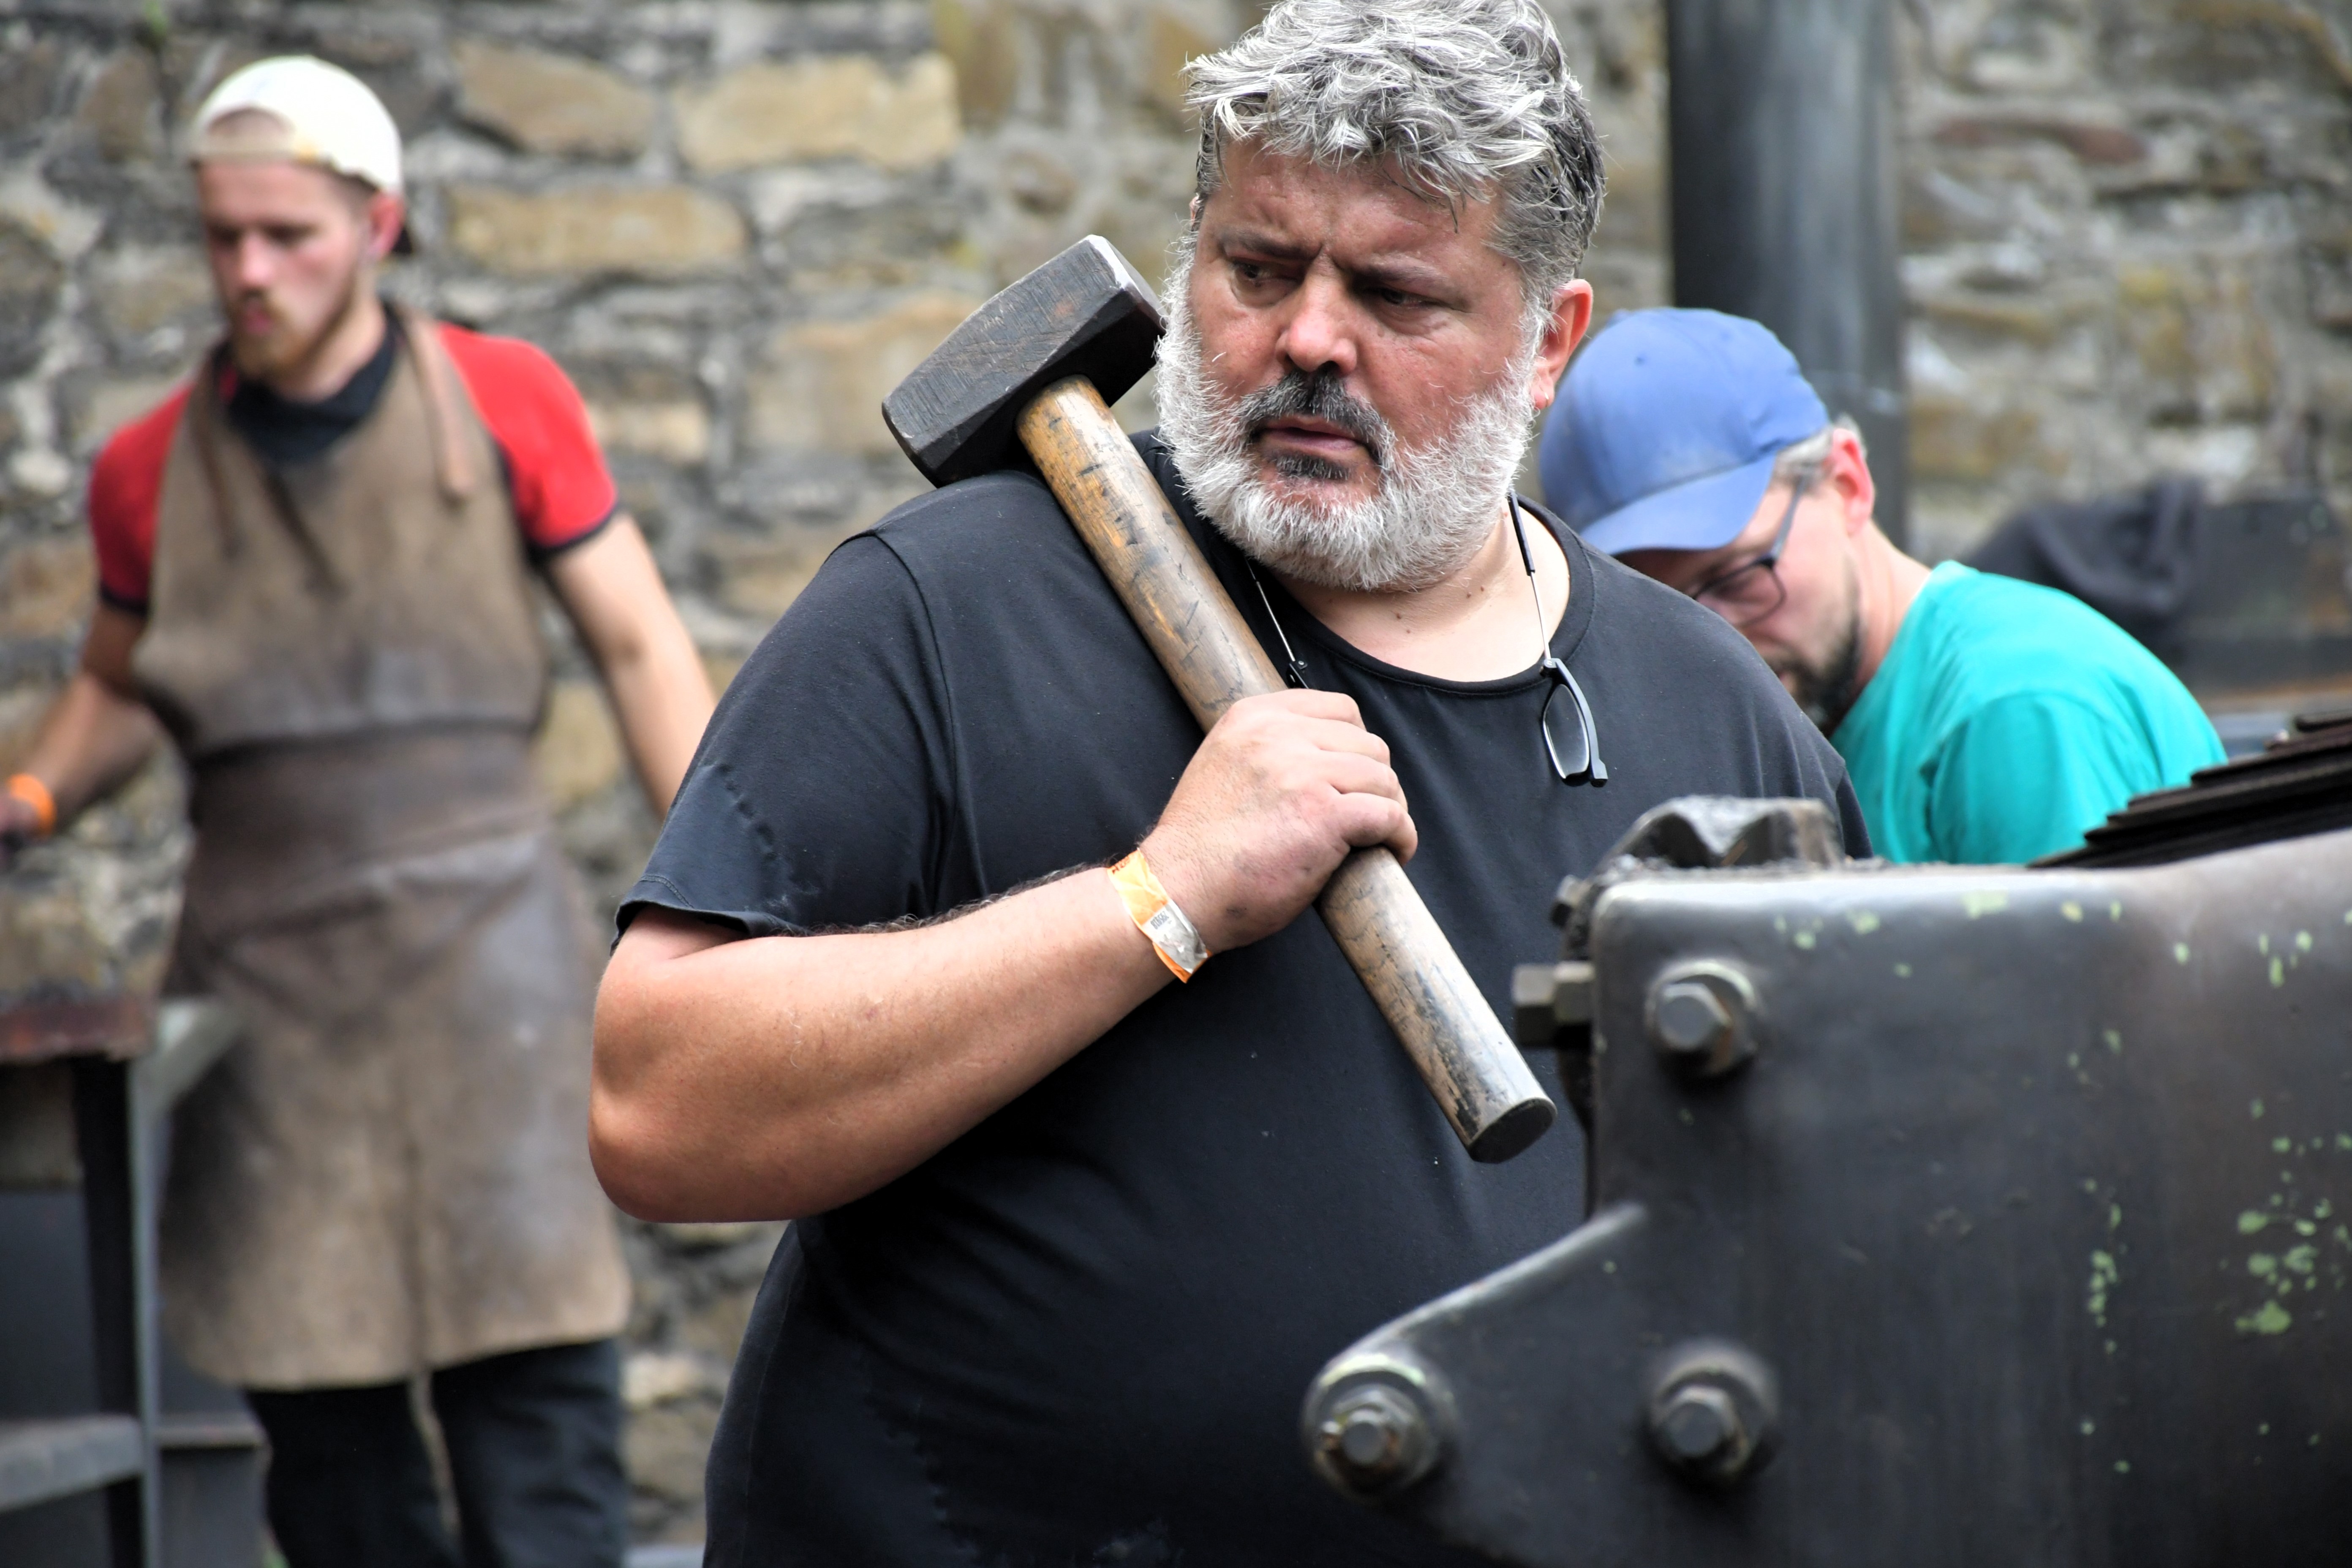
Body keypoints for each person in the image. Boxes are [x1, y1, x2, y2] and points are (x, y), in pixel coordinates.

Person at [591, 4, 1865, 1563]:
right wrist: (1159, 900)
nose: (1310, 340)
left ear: (1548, 342)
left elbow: (1835, 1234)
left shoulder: (1717, 718)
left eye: (1394, 293)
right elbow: (656, 1105)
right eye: (1257, 269)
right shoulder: (949, 606)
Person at [0, 57, 714, 1568]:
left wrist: (730, 892)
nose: (249, 272)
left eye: (289, 236)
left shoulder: (505, 403)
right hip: (271, 1007)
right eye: (224, 237)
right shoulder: (144, 474)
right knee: (333, 1475)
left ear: (377, 227)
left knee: (539, 1441)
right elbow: (120, 685)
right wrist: (30, 794)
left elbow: (642, 644)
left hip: (493, 988)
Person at [1539, 308, 2224, 864]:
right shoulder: (1794, 740)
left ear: (1848, 483)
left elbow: (2091, 993)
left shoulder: (2018, 708)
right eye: (1665, 610)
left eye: (1737, 576)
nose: (1720, 640)